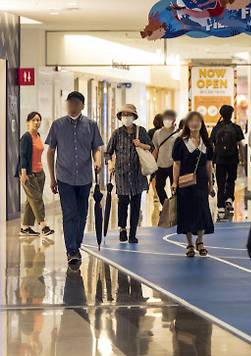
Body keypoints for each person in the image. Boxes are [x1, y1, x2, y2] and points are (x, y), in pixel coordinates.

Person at [45, 91, 104, 268]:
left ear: (82, 106)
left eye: (76, 104)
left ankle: (76, 245)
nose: (72, 107)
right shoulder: (57, 125)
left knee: (82, 213)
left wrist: (98, 160)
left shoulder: (91, 125)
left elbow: (97, 148)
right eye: (70, 103)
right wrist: (52, 178)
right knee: (69, 213)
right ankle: (71, 249)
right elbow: (50, 151)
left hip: (85, 177)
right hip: (64, 178)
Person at [105, 104, 153, 244]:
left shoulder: (141, 131)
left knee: (136, 204)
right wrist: (111, 163)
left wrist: (141, 145)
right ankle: (122, 229)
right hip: (122, 174)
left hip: (138, 174)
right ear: (121, 117)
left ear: (134, 116)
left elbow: (151, 147)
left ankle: (133, 233)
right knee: (123, 202)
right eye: (124, 115)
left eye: (129, 115)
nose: (126, 117)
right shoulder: (117, 133)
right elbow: (108, 152)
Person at [172, 112, 215, 258]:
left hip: (202, 182)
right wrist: (174, 182)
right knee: (187, 211)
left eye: (197, 121)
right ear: (187, 124)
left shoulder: (207, 143)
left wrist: (211, 182)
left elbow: (209, 165)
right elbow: (176, 164)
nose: (194, 124)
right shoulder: (180, 142)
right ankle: (189, 243)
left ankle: (200, 241)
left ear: (202, 124)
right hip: (185, 182)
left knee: (202, 210)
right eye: (191, 121)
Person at [17, 112, 54, 236]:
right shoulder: (26, 137)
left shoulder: (37, 136)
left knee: (31, 200)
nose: (37, 122)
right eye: (34, 120)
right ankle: (43, 226)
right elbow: (23, 156)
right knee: (37, 199)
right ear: (28, 122)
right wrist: (23, 173)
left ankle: (25, 227)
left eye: (38, 120)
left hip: (40, 173)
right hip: (28, 173)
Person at [211, 105, 245, 217]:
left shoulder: (216, 128)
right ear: (231, 114)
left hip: (219, 160)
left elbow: (212, 145)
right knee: (231, 180)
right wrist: (243, 159)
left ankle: (220, 205)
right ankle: (229, 199)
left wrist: (211, 160)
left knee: (220, 182)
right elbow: (241, 145)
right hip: (232, 159)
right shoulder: (236, 128)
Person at [152, 110, 180, 205]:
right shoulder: (157, 133)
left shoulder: (178, 134)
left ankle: (174, 208)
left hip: (174, 165)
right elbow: (155, 149)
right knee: (158, 187)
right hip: (160, 165)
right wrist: (152, 164)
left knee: (175, 188)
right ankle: (166, 206)